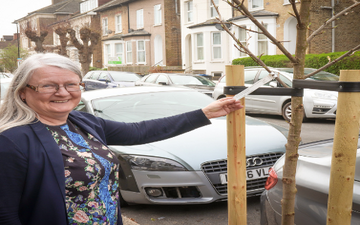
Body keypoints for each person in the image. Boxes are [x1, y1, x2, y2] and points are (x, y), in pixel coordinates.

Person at [0, 53, 243, 225]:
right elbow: (5, 213)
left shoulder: (83, 122)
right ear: (23, 92)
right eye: (48, 86)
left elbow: (139, 132)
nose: (63, 92)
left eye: (71, 84)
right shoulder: (12, 141)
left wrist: (205, 113)